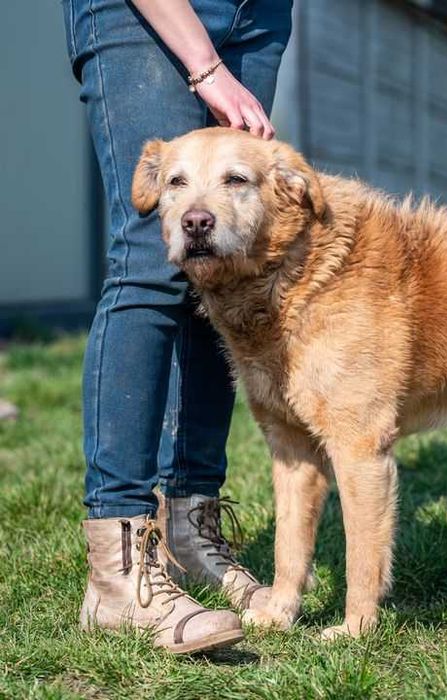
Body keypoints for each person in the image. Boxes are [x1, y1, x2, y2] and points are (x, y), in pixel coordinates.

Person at [63, 0, 292, 653]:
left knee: (220, 262)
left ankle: (191, 533)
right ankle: (119, 569)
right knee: (151, 261)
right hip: (143, 14)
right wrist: (204, 65)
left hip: (259, 14)